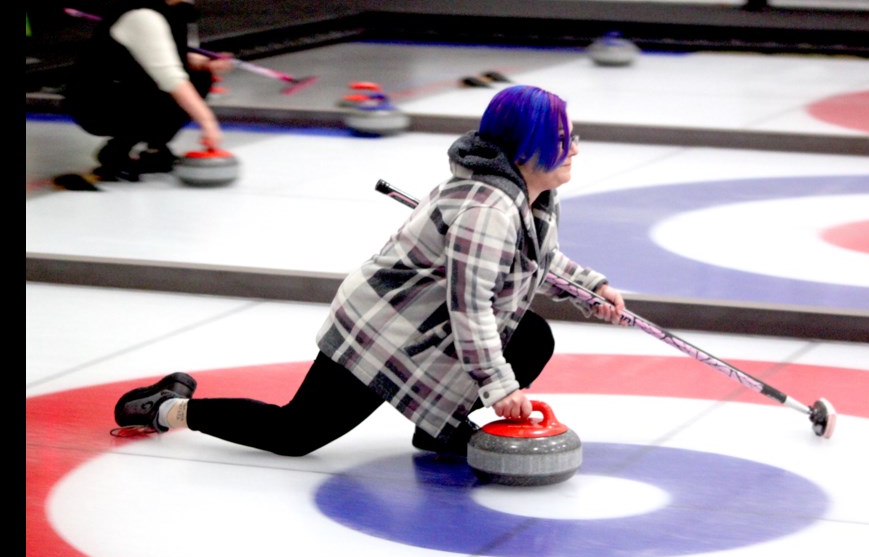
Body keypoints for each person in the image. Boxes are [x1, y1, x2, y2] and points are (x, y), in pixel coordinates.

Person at [112, 84, 627, 456]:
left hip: (425, 322)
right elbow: (471, 309)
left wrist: (591, 287)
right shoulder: (487, 211)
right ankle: (167, 409)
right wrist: (499, 388)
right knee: (296, 433)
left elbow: (533, 257)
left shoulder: (532, 197)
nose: (575, 146)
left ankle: (439, 427)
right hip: (384, 329)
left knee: (530, 335)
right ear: (524, 147)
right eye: (563, 136)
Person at [64, 0, 231, 181]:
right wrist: (208, 122)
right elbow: (171, 77)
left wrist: (205, 64)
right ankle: (117, 152)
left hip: (124, 87)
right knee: (173, 88)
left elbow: (173, 55)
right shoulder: (142, 15)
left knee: (200, 77)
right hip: (95, 100)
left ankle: (155, 148)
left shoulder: (174, 10)